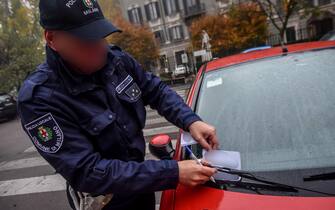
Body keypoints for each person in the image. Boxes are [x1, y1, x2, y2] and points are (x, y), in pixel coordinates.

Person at [17, 0, 219, 209]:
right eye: (86, 40)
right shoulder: (39, 99)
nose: (100, 48)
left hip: (143, 186)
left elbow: (155, 90)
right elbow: (88, 172)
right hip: (105, 203)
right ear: (52, 39)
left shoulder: (115, 59)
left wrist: (191, 120)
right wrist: (173, 172)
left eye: (101, 36)